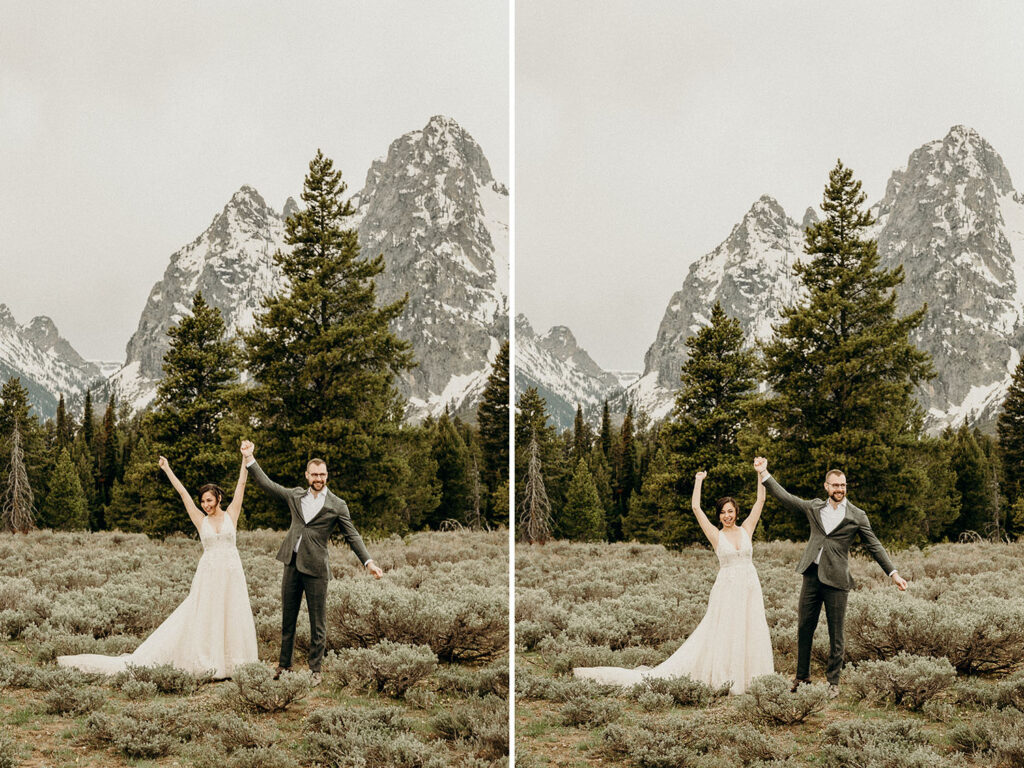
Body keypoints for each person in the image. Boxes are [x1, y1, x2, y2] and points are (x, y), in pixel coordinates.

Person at [58, 452, 258, 678]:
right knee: (207, 617)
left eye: (209, 500)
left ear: (219, 499)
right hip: (210, 575)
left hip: (232, 574)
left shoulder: (232, 514)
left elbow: (241, 484)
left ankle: (233, 663)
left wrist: (245, 458)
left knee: (231, 614)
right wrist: (167, 469)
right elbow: (183, 493)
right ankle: (211, 663)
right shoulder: (200, 519)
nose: (205, 505)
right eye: (203, 501)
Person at [573, 468, 774, 694]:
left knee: (749, 630)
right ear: (718, 516)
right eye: (722, 513)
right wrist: (698, 481)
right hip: (726, 592)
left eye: (730, 511)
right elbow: (696, 508)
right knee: (726, 633)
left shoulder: (747, 529)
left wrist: (760, 472)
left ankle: (750, 679)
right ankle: (727, 679)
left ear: (736, 511)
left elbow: (761, 499)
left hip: (749, 589)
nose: (727, 515)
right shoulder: (716, 535)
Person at [753, 456, 908, 696]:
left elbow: (874, 546)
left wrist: (893, 573)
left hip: (837, 580)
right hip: (811, 576)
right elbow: (788, 499)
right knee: (805, 627)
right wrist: (764, 474)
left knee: (837, 633)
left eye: (843, 485)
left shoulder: (857, 515)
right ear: (827, 487)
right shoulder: (815, 507)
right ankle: (802, 678)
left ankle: (833, 683)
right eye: (835, 485)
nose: (840, 489)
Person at [240, 440, 382, 686]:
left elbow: (353, 535)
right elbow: (268, 485)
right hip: (291, 563)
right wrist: (249, 458)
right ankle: (284, 666)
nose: (319, 478)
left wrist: (368, 561)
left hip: (316, 569)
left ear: (327, 476)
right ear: (307, 475)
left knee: (318, 621)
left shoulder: (337, 505)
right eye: (314, 474)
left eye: (323, 474)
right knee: (288, 618)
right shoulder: (295, 495)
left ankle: (315, 670)